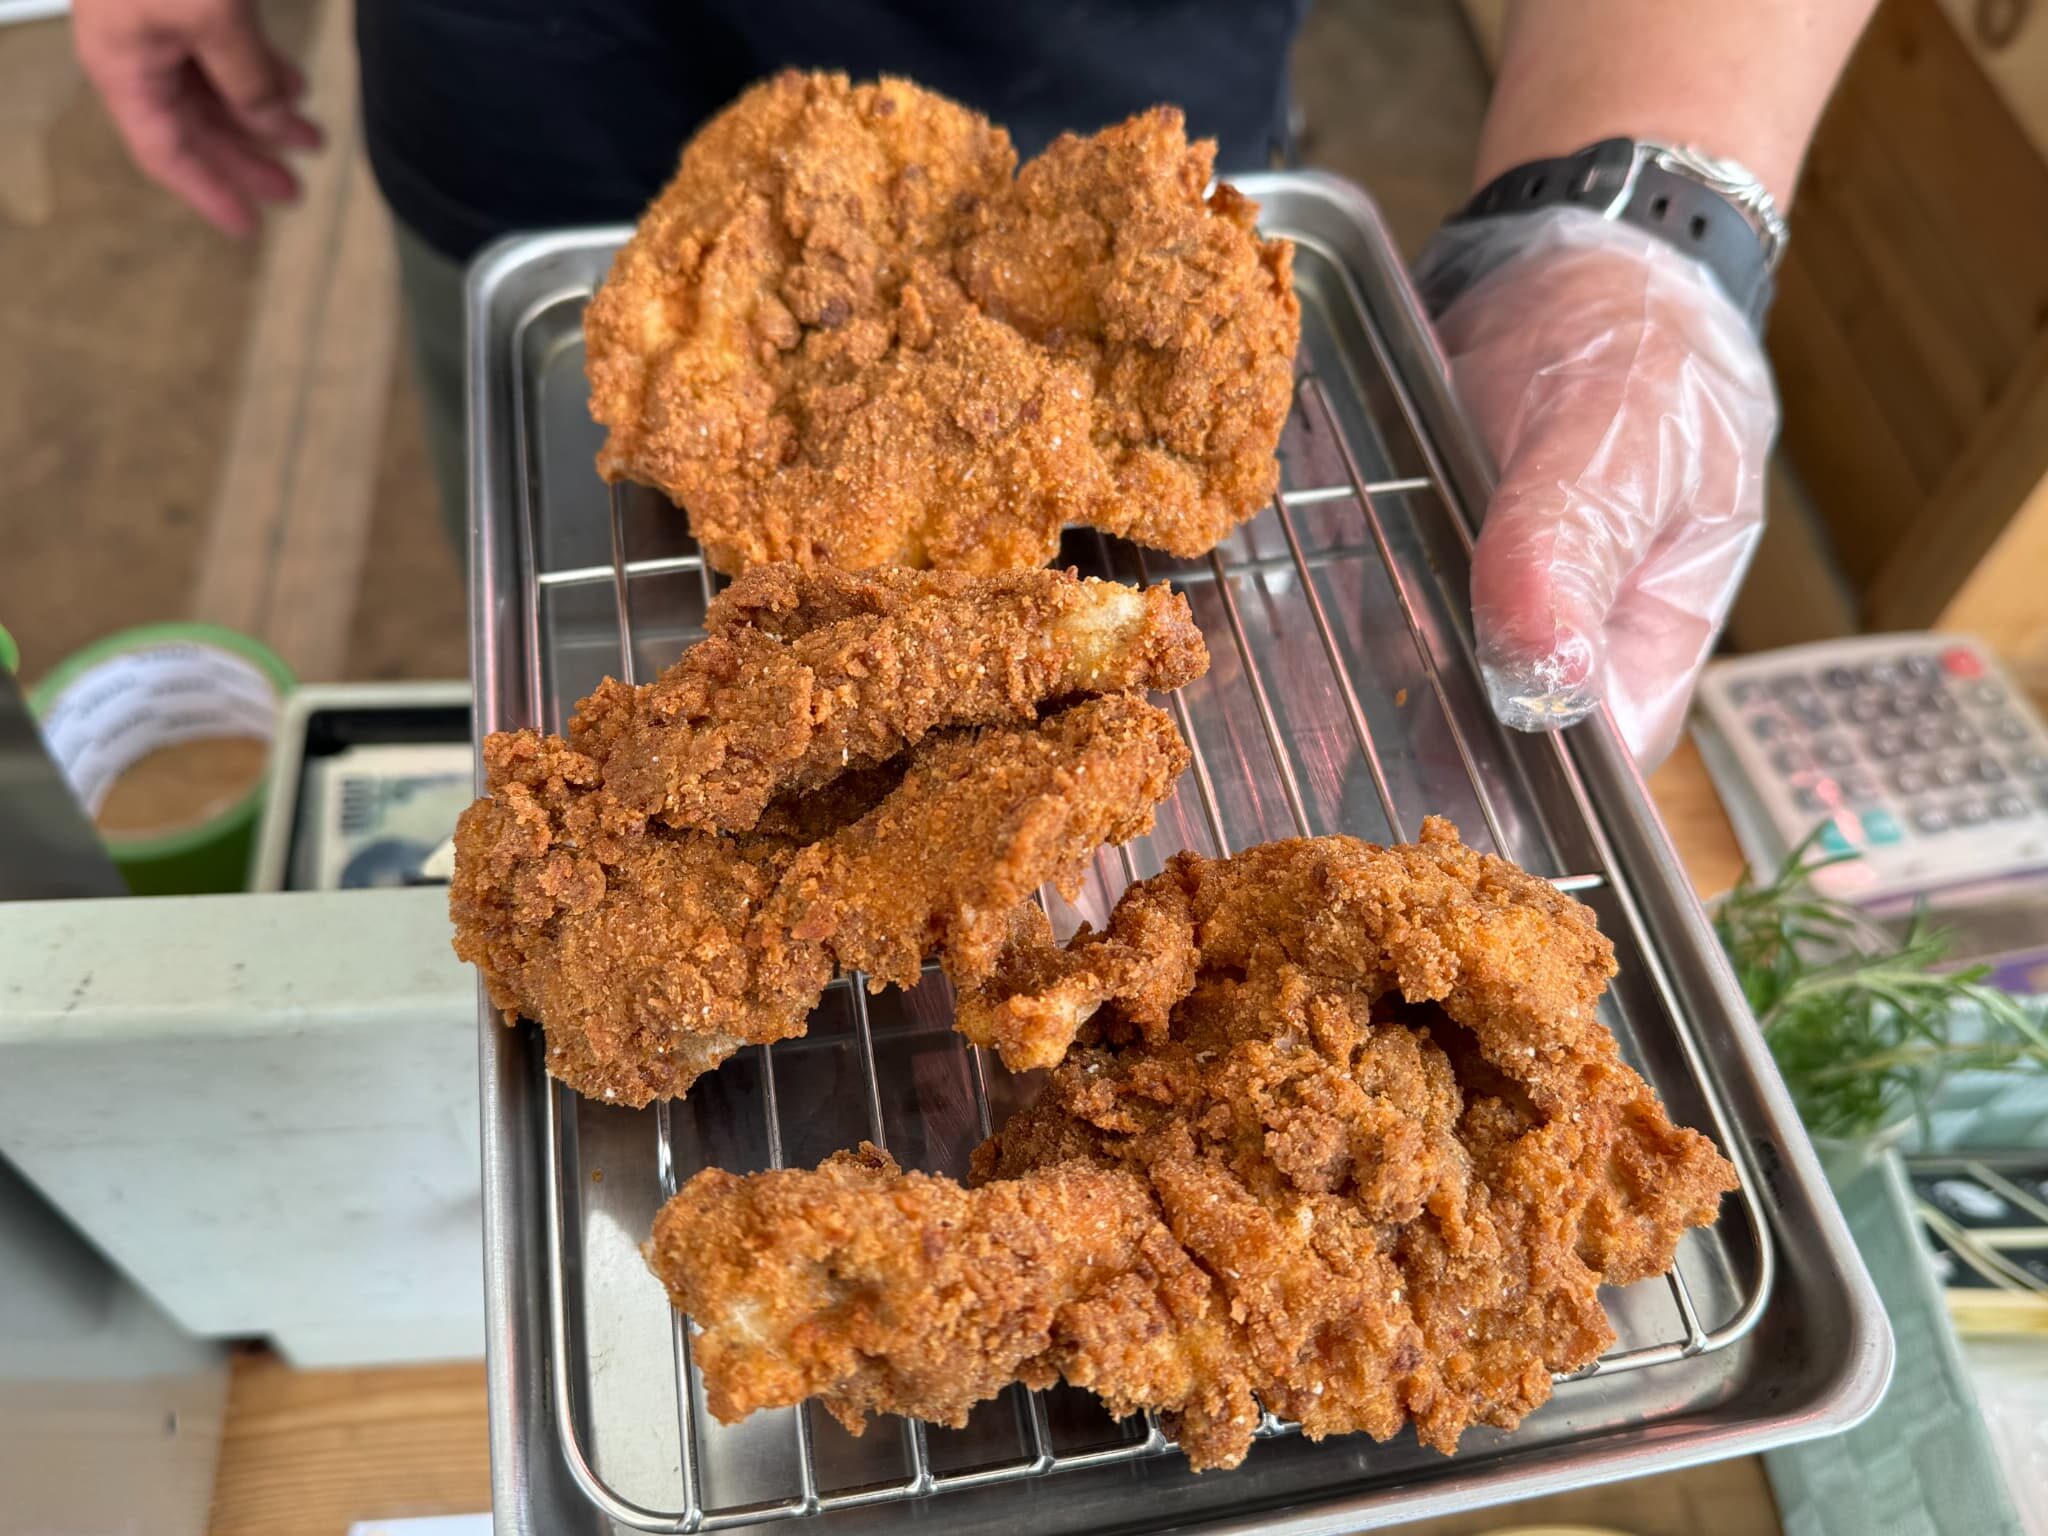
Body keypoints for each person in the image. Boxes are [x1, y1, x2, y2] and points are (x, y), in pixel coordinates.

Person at [70, 0, 1877, 766]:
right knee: (582, 614)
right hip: (535, 138)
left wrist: (1639, 219)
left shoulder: (1144, 328)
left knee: (1170, 710)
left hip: (1113, 111)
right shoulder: (666, 344)